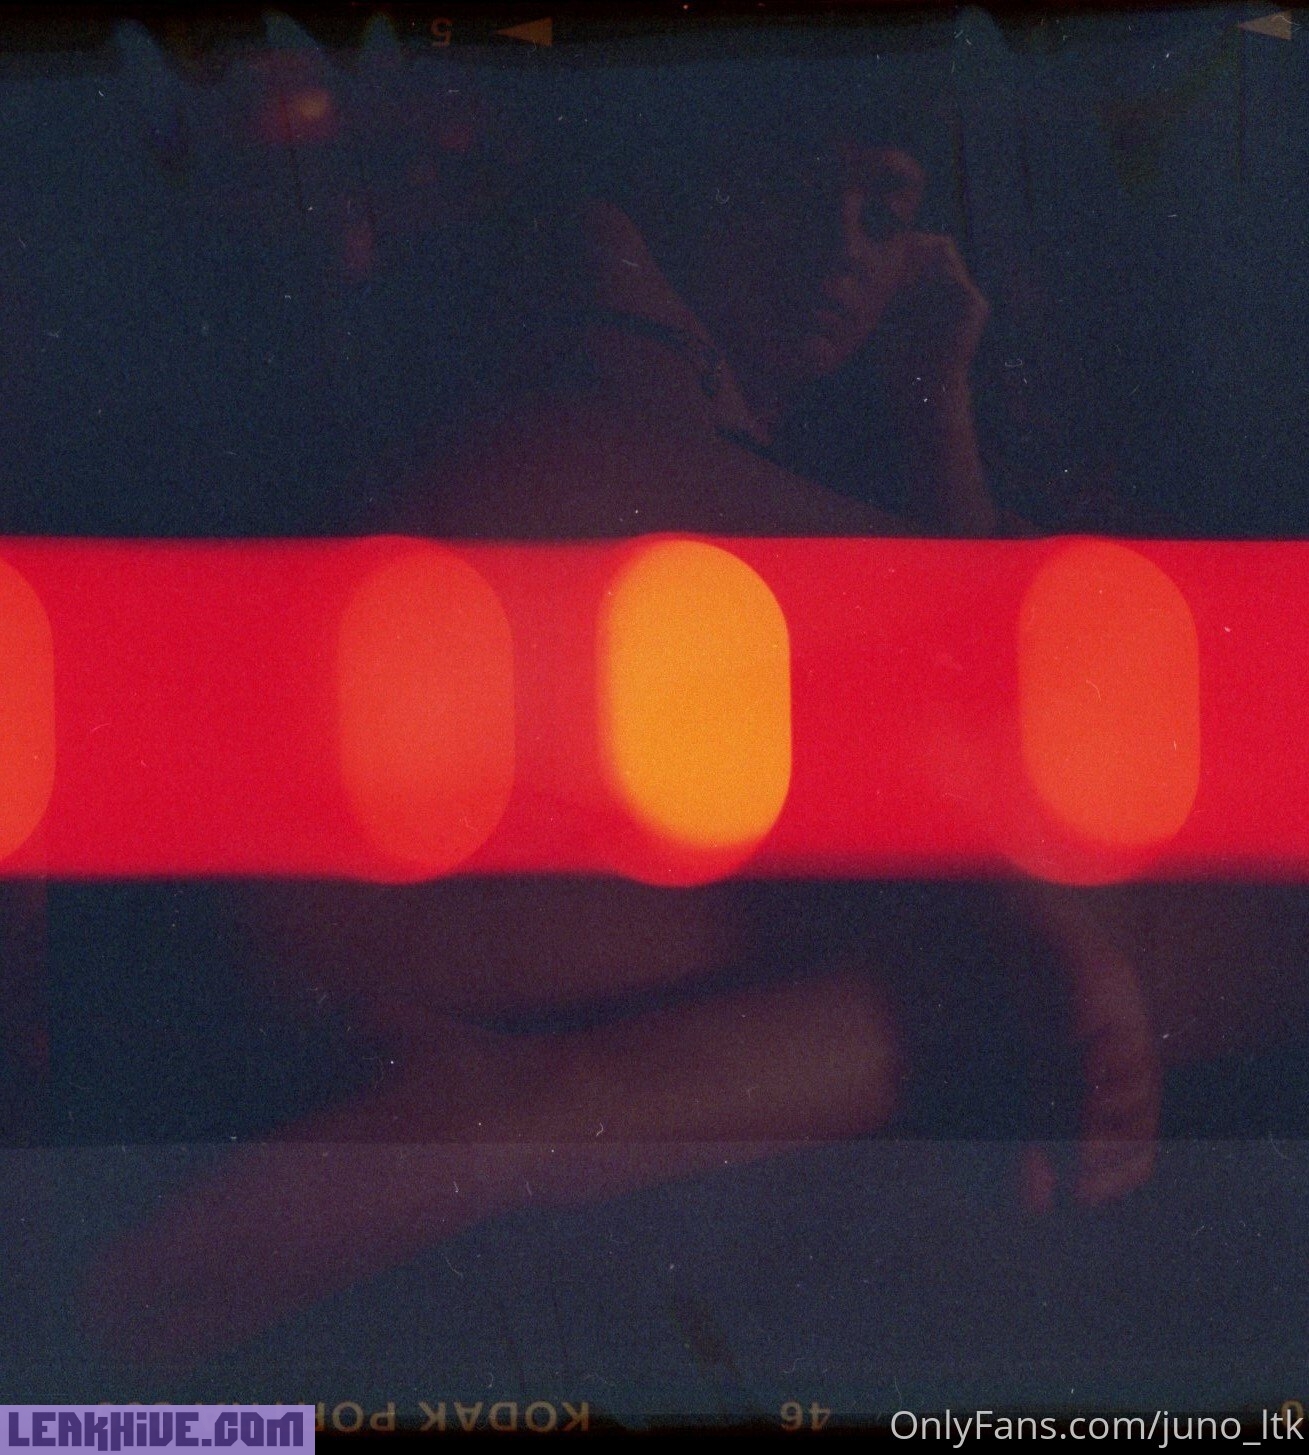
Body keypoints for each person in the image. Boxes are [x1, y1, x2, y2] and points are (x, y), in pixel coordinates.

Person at [80, 112, 1163, 1365]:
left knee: (1032, 945)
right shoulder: (605, 316)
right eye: (795, 185)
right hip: (331, 837)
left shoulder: (732, 415)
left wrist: (937, 399)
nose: (839, 248)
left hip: (369, 891)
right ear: (697, 180)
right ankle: (519, 1119)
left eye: (883, 216)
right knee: (1109, 885)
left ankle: (514, 1118)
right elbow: (979, 659)